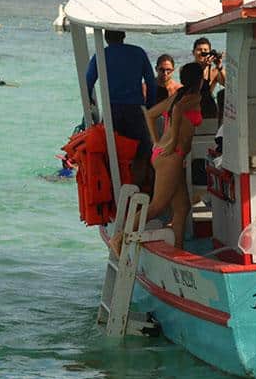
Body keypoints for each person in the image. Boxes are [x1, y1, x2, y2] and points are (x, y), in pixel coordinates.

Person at [110, 63, 204, 256]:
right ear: (200, 80)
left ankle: (178, 251)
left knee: (182, 206)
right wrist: (172, 142)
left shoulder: (178, 96)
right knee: (158, 205)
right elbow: (177, 112)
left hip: (165, 154)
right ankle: (119, 238)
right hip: (172, 156)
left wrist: (156, 142)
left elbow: (150, 114)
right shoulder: (194, 97)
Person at [85, 30, 156, 189]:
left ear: (106, 38)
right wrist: (150, 107)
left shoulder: (101, 55)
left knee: (111, 152)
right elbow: (151, 83)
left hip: (112, 110)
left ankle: (114, 190)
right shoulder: (138, 53)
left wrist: (91, 103)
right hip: (135, 110)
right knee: (142, 150)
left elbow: (88, 82)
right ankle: (137, 188)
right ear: (124, 36)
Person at [192, 37, 225, 117]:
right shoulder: (186, 69)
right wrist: (204, 66)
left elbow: (227, 84)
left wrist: (219, 66)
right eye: (199, 50)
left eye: (205, 50)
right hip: (193, 106)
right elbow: (193, 86)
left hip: (208, 108)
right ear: (193, 52)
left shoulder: (214, 71)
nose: (202, 52)